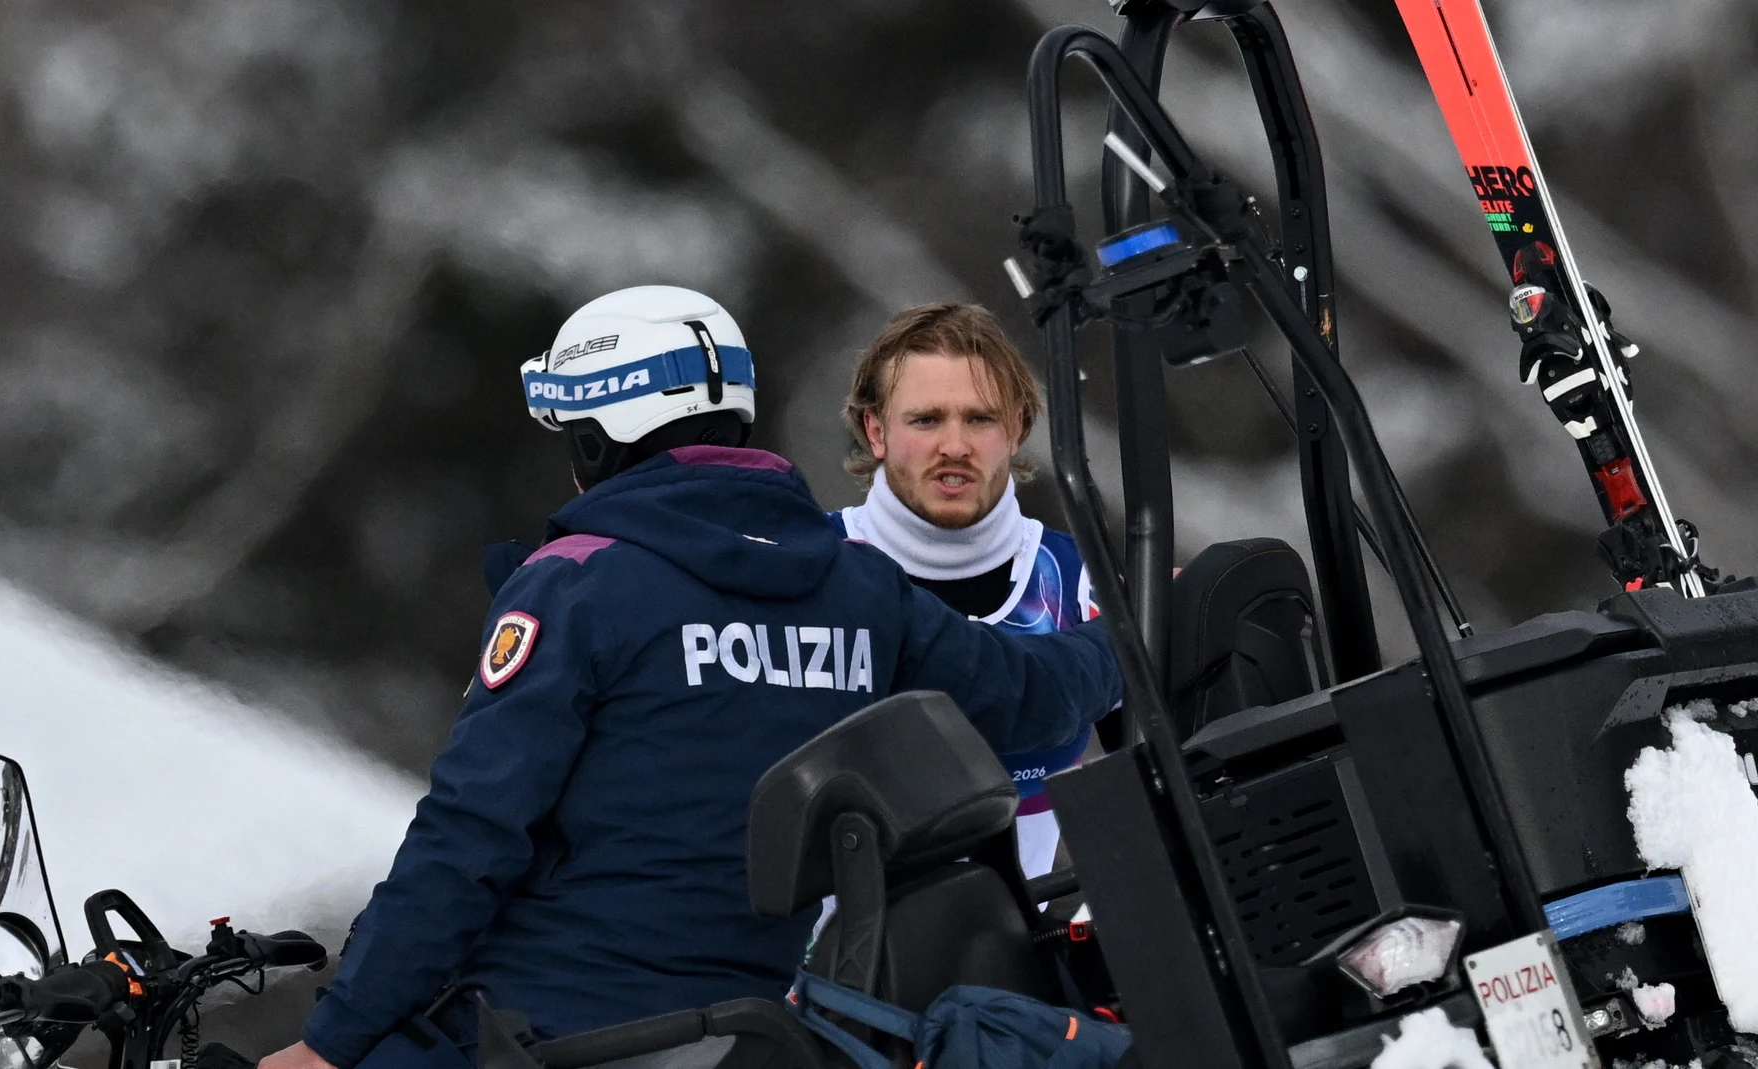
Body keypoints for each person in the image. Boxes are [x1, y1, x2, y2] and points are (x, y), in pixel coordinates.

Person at [256, 286, 1121, 1069]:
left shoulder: (580, 583)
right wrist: (1134, 628)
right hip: (748, 1033)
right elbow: (1036, 700)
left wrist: (330, 1042)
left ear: (596, 440)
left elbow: (468, 836)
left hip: (548, 1023)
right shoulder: (857, 587)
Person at [832, 302, 1102, 880]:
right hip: (836, 966)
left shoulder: (1076, 582)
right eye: (926, 419)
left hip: (1020, 956)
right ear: (876, 430)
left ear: (1018, 430)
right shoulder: (814, 566)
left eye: (980, 419)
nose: (954, 445)